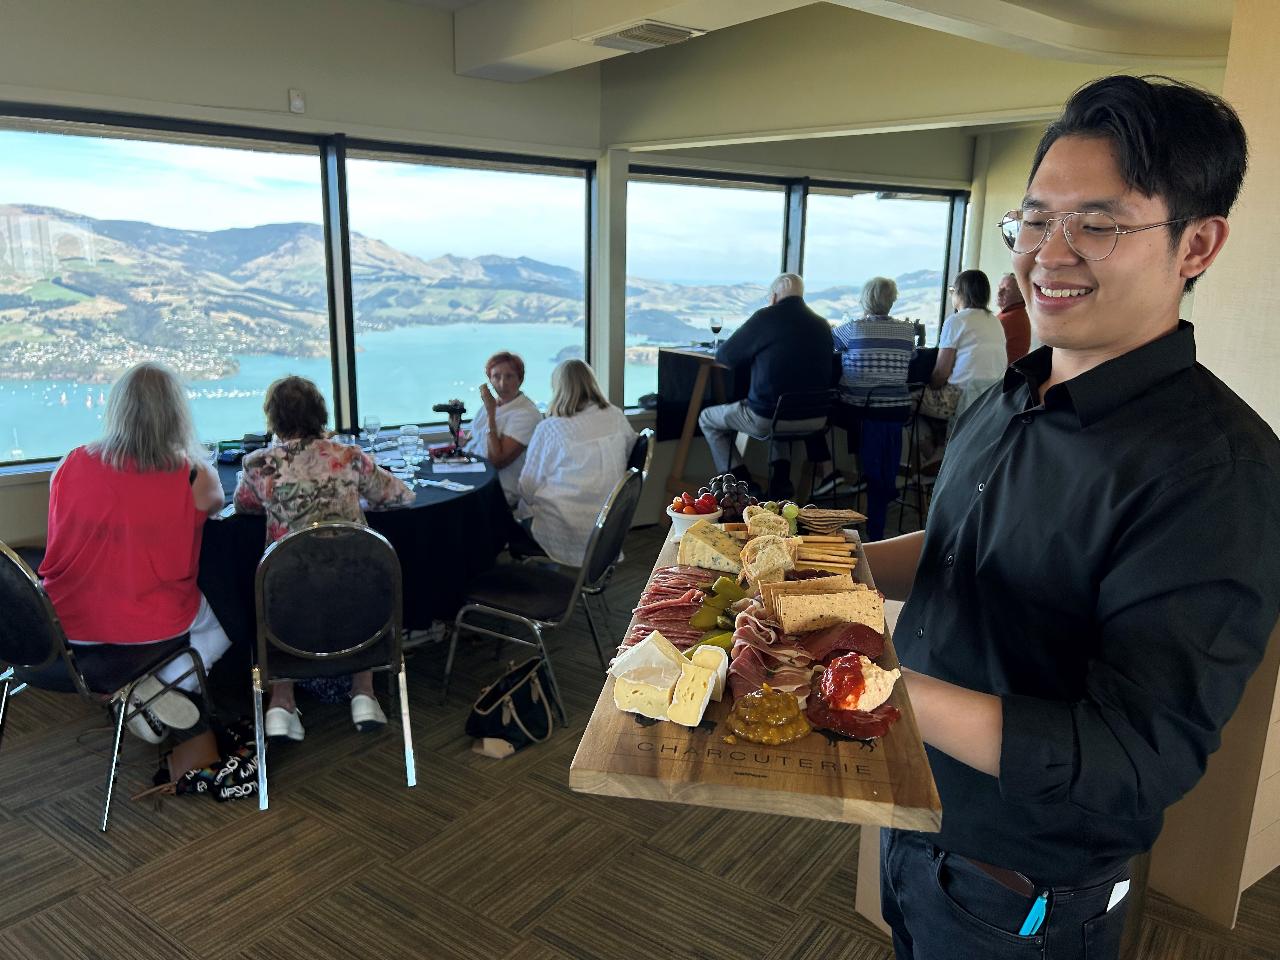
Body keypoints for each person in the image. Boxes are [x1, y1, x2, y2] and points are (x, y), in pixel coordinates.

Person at [869, 75, 1280, 960]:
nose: (1048, 254)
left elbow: (1138, 756)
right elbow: (960, 550)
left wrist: (872, 685)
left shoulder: (1217, 473)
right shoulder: (1012, 392)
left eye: (1098, 224)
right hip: (912, 804)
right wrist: (842, 569)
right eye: (1033, 221)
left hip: (1017, 883)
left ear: (1197, 244)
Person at [39, 362, 231, 744]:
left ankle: (133, 688)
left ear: (117, 410)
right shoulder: (194, 475)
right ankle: (163, 687)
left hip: (67, 626)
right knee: (223, 627)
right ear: (176, 414)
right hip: (152, 625)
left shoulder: (69, 463)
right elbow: (217, 505)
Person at [234, 375, 414, 741]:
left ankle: (281, 705)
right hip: (354, 591)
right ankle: (363, 693)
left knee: (276, 586)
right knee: (358, 581)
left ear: (273, 420)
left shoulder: (258, 464)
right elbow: (400, 496)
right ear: (321, 414)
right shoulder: (349, 457)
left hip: (290, 596)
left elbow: (243, 505)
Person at [697, 273, 835, 499]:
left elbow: (725, 356)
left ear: (773, 296)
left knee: (707, 419)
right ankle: (781, 481)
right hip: (817, 419)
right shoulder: (821, 324)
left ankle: (743, 484)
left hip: (768, 417)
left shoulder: (765, 318)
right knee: (780, 409)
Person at [812, 277, 915, 540]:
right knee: (880, 453)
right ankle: (879, 483)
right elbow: (911, 357)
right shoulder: (907, 330)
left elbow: (826, 343)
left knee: (818, 413)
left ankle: (835, 476)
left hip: (862, 411)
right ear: (892, 301)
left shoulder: (853, 328)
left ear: (864, 300)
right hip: (899, 410)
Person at [515, 359, 635, 566]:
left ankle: (540, 584)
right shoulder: (615, 416)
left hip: (565, 526)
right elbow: (630, 452)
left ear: (558, 388)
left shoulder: (552, 428)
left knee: (506, 517)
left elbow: (527, 488)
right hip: (606, 526)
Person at [923, 269, 1007, 422]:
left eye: (952, 290)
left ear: (960, 292)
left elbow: (941, 372)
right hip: (991, 398)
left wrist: (930, 387)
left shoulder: (956, 321)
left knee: (911, 400)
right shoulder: (995, 322)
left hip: (961, 396)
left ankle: (930, 444)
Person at [463, 351, 542, 507]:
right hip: (474, 477)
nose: (502, 383)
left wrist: (491, 414)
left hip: (499, 489)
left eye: (509, 376)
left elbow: (496, 460)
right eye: (496, 376)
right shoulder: (492, 404)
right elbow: (472, 438)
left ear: (520, 379)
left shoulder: (526, 414)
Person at [995, 272, 1032, 363]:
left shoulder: (1011, 318)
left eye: (1006, 290)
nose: (999, 293)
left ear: (1021, 295)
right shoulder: (1015, 314)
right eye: (1000, 287)